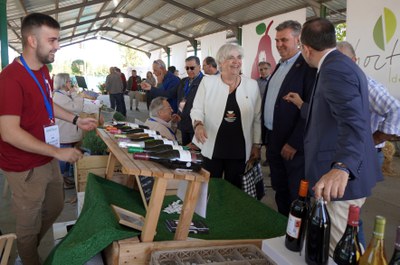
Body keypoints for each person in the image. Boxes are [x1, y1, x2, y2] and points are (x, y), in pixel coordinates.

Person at [0, 13, 97, 265]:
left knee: (54, 206)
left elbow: (47, 104)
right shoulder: (10, 79)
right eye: (52, 40)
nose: (58, 45)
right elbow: (8, 132)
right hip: (24, 166)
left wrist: (76, 119)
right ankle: (27, 257)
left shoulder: (43, 70)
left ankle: (27, 248)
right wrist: (58, 152)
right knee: (28, 223)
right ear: (32, 41)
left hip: (46, 156)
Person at [299, 17, 381, 254]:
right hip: (338, 180)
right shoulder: (338, 64)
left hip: (339, 183)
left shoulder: (334, 69)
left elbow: (354, 122)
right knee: (348, 245)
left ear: (305, 48)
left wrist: (342, 166)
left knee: (339, 252)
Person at [261, 20, 317, 216]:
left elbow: (311, 110)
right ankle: (282, 228)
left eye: (284, 40)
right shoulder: (280, 66)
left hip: (292, 146)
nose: (278, 44)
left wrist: (295, 142)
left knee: (295, 193)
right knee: (279, 189)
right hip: (274, 139)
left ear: (298, 39)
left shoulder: (308, 68)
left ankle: (295, 237)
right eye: (276, 40)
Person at [191, 43, 262, 189]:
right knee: (209, 189)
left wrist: (256, 144)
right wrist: (198, 125)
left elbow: (257, 118)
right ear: (221, 62)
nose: (236, 62)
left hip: (239, 150)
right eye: (231, 58)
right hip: (212, 147)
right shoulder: (208, 82)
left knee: (234, 192)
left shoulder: (252, 85)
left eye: (239, 57)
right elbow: (197, 109)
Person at [336, 41, 400, 167]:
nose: (339, 66)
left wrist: (372, 141)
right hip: (349, 153)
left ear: (354, 60)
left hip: (364, 154)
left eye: (344, 61)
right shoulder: (342, 84)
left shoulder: (366, 85)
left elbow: (396, 110)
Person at [142, 56, 204, 145]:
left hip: (197, 125)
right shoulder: (183, 81)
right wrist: (178, 114)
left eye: (192, 68)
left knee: (197, 152)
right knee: (186, 149)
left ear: (199, 67)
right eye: (187, 68)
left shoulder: (205, 82)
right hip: (183, 123)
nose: (189, 70)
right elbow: (170, 94)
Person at [53, 73, 83, 189]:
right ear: (64, 83)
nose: (71, 83)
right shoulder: (60, 96)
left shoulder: (61, 94)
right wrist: (75, 92)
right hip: (63, 133)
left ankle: (63, 178)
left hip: (65, 131)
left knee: (65, 158)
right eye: (69, 81)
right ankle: (60, 181)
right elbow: (77, 108)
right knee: (62, 159)